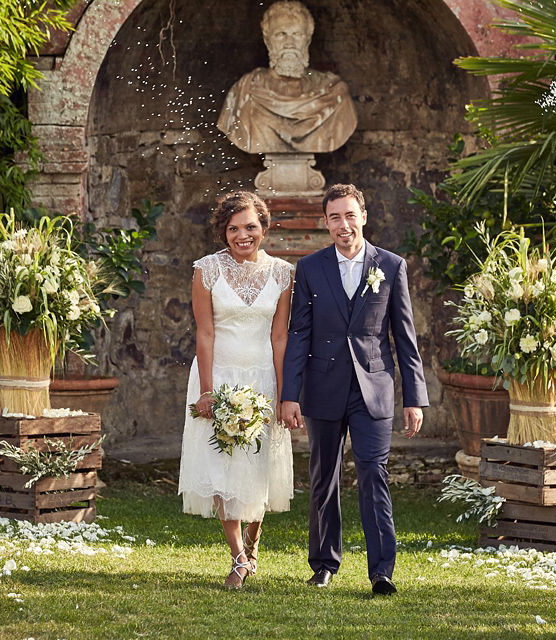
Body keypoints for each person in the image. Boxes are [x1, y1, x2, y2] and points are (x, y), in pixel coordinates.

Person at [280, 183, 429, 595]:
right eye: (334, 217)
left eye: (349, 215)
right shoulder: (310, 267)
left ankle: (382, 571)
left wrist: (414, 399)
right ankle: (325, 564)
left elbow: (405, 338)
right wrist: (289, 395)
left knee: (372, 474)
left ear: (363, 216)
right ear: (325, 223)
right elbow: (299, 335)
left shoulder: (392, 266)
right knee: (323, 477)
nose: (343, 225)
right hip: (322, 388)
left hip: (374, 390)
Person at [177, 191, 295, 589]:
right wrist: (207, 391)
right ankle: (238, 556)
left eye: (250, 226)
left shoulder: (283, 273)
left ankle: (254, 543)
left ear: (263, 226)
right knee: (221, 468)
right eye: (233, 228)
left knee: (258, 467)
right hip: (219, 375)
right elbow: (205, 331)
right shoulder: (206, 270)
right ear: (222, 232)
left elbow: (280, 337)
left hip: (263, 377)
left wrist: (282, 393)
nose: (242, 235)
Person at [216, 1, 357, 154]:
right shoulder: (244, 91)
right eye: (281, 34)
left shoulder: (334, 93)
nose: (289, 43)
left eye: (297, 34)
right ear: (267, 40)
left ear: (307, 40)